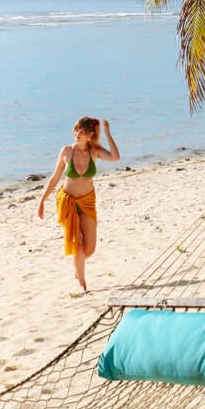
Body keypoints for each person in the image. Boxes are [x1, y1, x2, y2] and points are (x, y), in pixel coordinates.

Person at [37, 117, 120, 292]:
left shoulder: (95, 151)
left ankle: (78, 265)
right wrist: (42, 200)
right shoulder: (67, 151)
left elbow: (115, 157)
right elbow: (55, 177)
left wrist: (107, 133)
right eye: (76, 130)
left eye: (81, 131)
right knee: (78, 246)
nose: (76, 134)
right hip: (67, 200)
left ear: (90, 134)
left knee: (89, 249)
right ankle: (82, 283)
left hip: (87, 201)